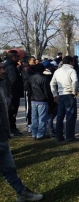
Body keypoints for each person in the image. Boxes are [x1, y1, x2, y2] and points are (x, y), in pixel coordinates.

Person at [0, 62, 43, 201]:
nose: (3, 71)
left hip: (3, 137)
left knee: (9, 169)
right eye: (0, 69)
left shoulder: (1, 87)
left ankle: (21, 193)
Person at [50, 56, 79, 142]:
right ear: (71, 62)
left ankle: (59, 136)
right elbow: (75, 81)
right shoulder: (72, 70)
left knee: (60, 116)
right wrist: (74, 92)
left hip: (60, 95)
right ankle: (70, 136)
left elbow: (52, 83)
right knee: (70, 116)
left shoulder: (57, 71)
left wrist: (55, 94)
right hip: (69, 94)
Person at [28, 63, 54, 140]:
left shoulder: (30, 78)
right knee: (42, 118)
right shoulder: (44, 78)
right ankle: (40, 134)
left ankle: (34, 133)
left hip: (33, 99)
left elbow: (28, 88)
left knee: (34, 118)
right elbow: (47, 91)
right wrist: (49, 99)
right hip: (42, 100)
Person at [3, 50, 24, 136]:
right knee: (12, 111)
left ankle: (11, 127)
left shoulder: (8, 65)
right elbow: (13, 81)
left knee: (11, 111)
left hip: (10, 92)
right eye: (17, 56)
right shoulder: (11, 67)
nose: (19, 58)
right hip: (12, 93)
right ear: (13, 57)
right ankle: (12, 128)